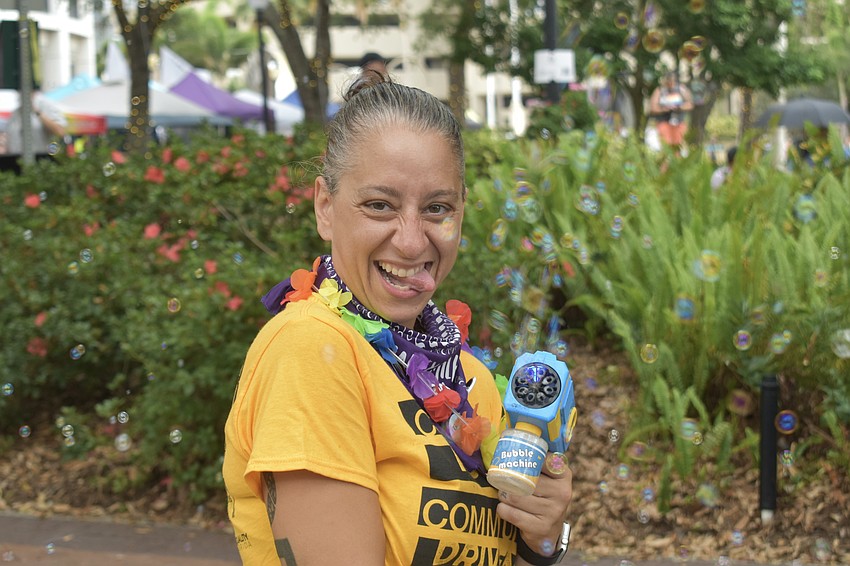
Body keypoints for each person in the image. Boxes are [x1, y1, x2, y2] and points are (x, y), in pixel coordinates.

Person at [223, 74, 573, 565]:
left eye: (436, 208)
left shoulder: (470, 377)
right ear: (325, 206)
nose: (411, 241)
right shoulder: (313, 348)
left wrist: (543, 538)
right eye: (380, 205)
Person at [3, 90, 67, 156]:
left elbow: (60, 131)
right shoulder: (15, 113)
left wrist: (37, 113)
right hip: (15, 159)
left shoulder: (45, 105)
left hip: (41, 159)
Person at [649, 72, 693, 147]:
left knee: (678, 145)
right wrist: (663, 109)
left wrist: (680, 107)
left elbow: (690, 104)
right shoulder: (659, 90)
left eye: (672, 81)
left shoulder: (681, 89)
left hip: (679, 122)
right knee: (666, 145)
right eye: (668, 81)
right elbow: (653, 108)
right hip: (664, 122)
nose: (670, 83)